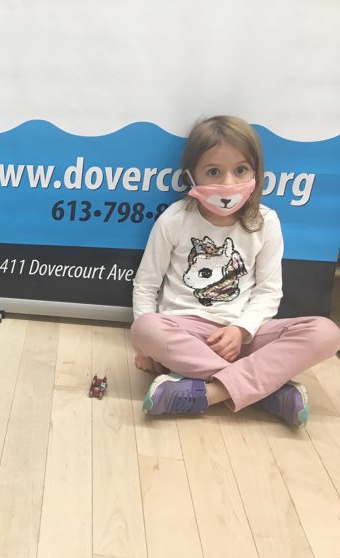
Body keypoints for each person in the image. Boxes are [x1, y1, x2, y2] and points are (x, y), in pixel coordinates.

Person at [131, 115, 340, 427]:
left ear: (255, 171)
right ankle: (268, 393)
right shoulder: (174, 220)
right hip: (184, 333)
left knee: (327, 333)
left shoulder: (266, 222)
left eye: (240, 170)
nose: (228, 183)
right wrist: (144, 346)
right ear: (192, 175)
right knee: (145, 329)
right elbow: (146, 285)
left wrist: (241, 330)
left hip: (245, 338)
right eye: (213, 172)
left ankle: (210, 393)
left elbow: (269, 292)